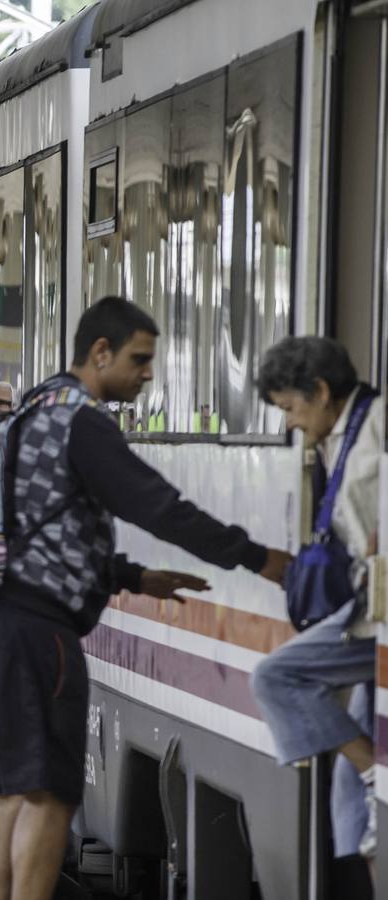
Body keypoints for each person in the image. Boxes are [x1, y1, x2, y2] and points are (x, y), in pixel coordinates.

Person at [0, 297, 289, 900]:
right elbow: (157, 505)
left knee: (13, 792)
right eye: (139, 359)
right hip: (36, 630)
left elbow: (36, 531)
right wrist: (258, 558)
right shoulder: (82, 421)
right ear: (100, 353)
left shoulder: (30, 410)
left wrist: (133, 576)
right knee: (51, 797)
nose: (147, 374)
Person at [249, 336, 381, 865]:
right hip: (370, 607)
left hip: (376, 614)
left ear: (322, 391)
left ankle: (377, 772)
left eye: (290, 408)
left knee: (278, 676)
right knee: (348, 790)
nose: (289, 423)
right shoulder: (339, 433)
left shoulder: (377, 428)